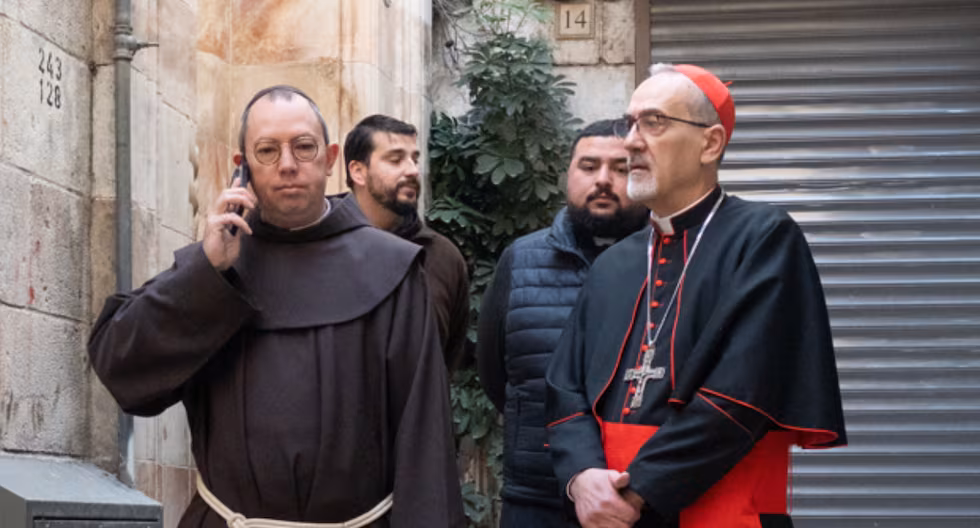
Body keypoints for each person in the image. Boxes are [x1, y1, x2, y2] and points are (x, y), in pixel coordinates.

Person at [88, 86, 465, 528]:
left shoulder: (394, 269)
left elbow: (425, 436)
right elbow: (120, 369)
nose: (287, 164)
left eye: (303, 147)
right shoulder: (215, 263)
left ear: (330, 158)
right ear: (242, 165)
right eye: (267, 151)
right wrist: (205, 274)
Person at [545, 64, 847, 528]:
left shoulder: (763, 238)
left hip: (719, 508)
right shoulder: (614, 263)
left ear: (710, 144)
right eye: (630, 123)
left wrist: (640, 490)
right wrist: (583, 477)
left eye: (654, 122)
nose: (631, 142)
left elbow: (744, 391)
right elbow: (564, 386)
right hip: (606, 514)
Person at [477, 119, 649, 527]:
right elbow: (495, 374)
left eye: (621, 168)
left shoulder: (670, 262)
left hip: (640, 498)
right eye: (588, 166)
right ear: (567, 175)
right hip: (537, 497)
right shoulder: (520, 260)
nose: (603, 179)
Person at [344, 114, 470, 371]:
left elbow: (446, 358)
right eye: (395, 159)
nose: (412, 170)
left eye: (414, 159)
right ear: (358, 171)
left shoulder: (443, 257)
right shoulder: (321, 246)